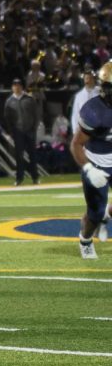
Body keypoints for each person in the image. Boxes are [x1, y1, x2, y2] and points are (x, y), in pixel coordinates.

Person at [70, 62, 112, 260]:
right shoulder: (94, 111)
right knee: (94, 214)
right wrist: (89, 169)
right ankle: (85, 240)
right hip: (97, 162)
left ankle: (107, 215)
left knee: (104, 212)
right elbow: (76, 144)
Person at [4, 78, 40, 186]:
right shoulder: (9, 101)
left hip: (29, 131)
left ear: (22, 86)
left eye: (18, 85)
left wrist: (34, 128)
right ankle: (19, 178)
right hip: (17, 132)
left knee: (32, 155)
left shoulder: (29, 99)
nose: (17, 87)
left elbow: (36, 115)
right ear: (12, 87)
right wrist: (11, 131)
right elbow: (7, 118)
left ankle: (35, 177)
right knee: (19, 157)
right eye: (15, 85)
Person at [70, 69, 99, 143]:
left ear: (94, 79)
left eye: (90, 78)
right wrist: (75, 130)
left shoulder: (100, 93)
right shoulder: (79, 96)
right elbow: (75, 114)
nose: (88, 80)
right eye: (86, 78)